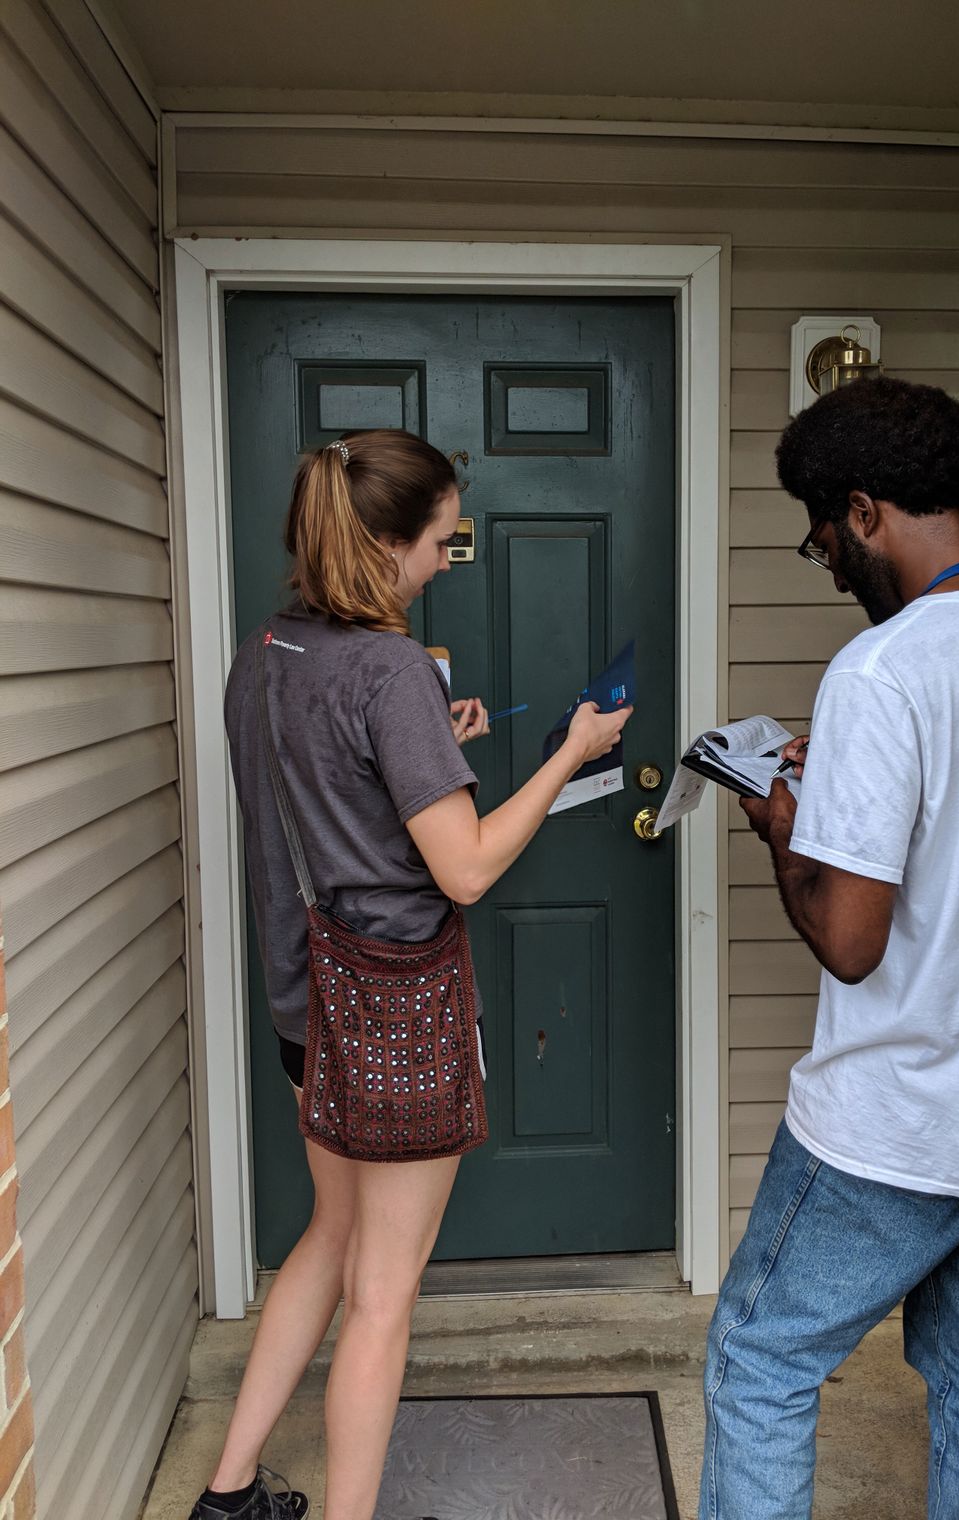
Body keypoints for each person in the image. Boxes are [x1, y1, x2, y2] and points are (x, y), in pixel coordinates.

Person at [191, 429, 632, 1520]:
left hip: (309, 1007)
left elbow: (320, 784)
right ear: (387, 542)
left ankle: (228, 1491)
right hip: (391, 1012)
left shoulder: (268, 650)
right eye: (440, 539)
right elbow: (467, 868)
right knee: (382, 1295)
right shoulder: (388, 669)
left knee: (328, 1238)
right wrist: (571, 753)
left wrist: (429, 740)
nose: (445, 559)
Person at [699, 377, 959, 1520]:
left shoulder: (885, 671)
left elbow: (851, 941)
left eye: (821, 541)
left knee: (758, 1360)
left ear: (862, 510)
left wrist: (788, 835)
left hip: (893, 1121)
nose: (830, 567)